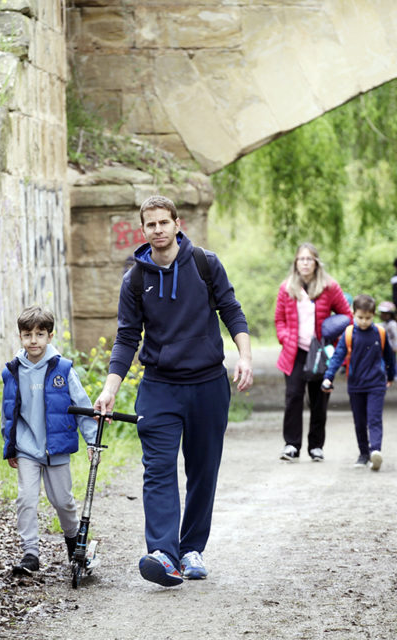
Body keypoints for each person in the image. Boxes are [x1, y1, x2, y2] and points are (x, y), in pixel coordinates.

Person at [94, 194, 253, 587]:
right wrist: (109, 388)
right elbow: (127, 338)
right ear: (143, 229)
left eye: (164, 223)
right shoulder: (135, 278)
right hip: (160, 386)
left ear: (177, 224)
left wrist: (244, 355)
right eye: (151, 225)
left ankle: (192, 549)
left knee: (203, 469)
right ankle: (164, 552)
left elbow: (231, 309)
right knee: (158, 468)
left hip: (207, 385)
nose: (158, 230)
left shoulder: (204, 263)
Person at [1, 306, 98, 577]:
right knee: (26, 499)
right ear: (20, 337)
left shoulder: (63, 369)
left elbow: (82, 405)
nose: (34, 340)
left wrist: (91, 441)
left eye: (40, 334)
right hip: (27, 447)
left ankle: (73, 544)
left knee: (63, 501)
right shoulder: (13, 371)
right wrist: (9, 445)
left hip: (56, 447)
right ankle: (30, 553)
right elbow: (8, 410)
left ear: (50, 336)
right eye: (27, 334)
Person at [274, 243, 352, 462]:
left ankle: (316, 446)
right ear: (296, 263)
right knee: (293, 397)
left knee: (319, 399)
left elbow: (347, 317)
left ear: (316, 263)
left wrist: (334, 344)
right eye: (301, 259)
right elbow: (279, 319)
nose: (305, 263)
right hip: (294, 351)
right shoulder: (287, 287)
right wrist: (285, 337)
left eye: (309, 259)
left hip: (321, 352)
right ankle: (291, 445)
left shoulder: (330, 287)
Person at [321, 294, 397, 471]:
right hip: (355, 385)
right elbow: (337, 358)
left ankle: (375, 451)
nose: (364, 321)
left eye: (368, 318)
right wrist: (328, 377)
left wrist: (390, 376)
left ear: (374, 315)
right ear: (353, 314)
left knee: (374, 419)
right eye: (360, 317)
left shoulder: (380, 333)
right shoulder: (348, 334)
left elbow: (389, 358)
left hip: (376, 384)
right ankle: (363, 454)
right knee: (359, 421)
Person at [377, 300, 397, 381]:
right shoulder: (384, 323)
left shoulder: (392, 324)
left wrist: (395, 346)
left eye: (385, 313)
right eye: (382, 313)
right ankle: (387, 374)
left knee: (393, 361)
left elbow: (395, 336)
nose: (383, 315)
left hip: (392, 347)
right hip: (385, 346)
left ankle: (395, 375)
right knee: (386, 361)